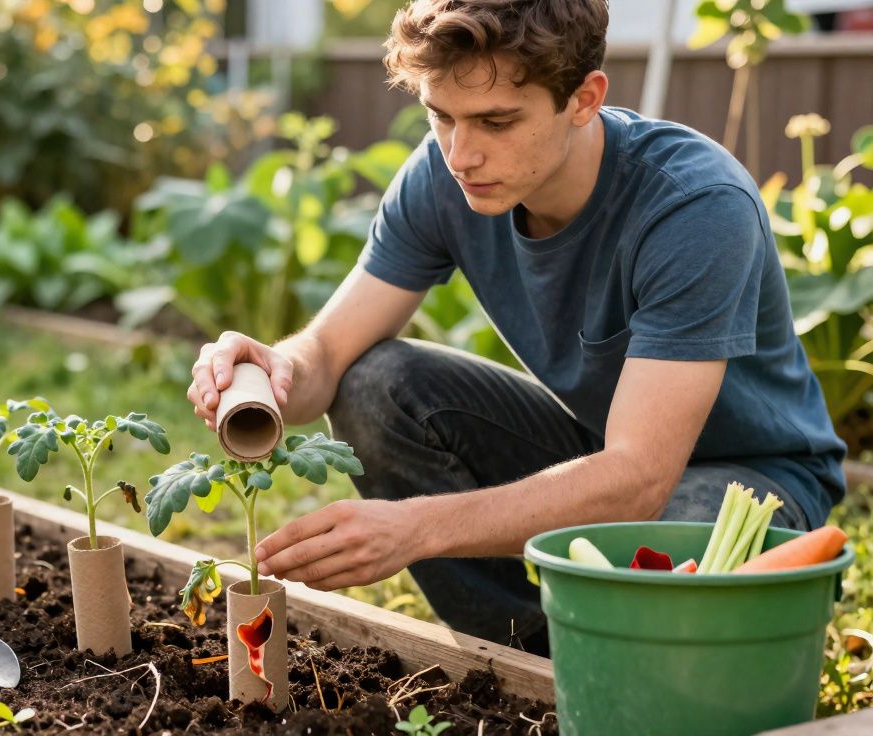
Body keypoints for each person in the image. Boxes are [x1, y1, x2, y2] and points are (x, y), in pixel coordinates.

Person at [185, 0, 846, 655]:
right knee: (376, 384)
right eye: (440, 117)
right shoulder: (441, 179)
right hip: (600, 449)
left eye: (495, 121)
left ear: (584, 99)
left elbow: (641, 478)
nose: (460, 154)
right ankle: (525, 650)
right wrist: (274, 371)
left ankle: (602, 656)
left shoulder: (693, 206)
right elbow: (328, 355)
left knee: (665, 551)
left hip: (746, 479)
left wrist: (413, 528)